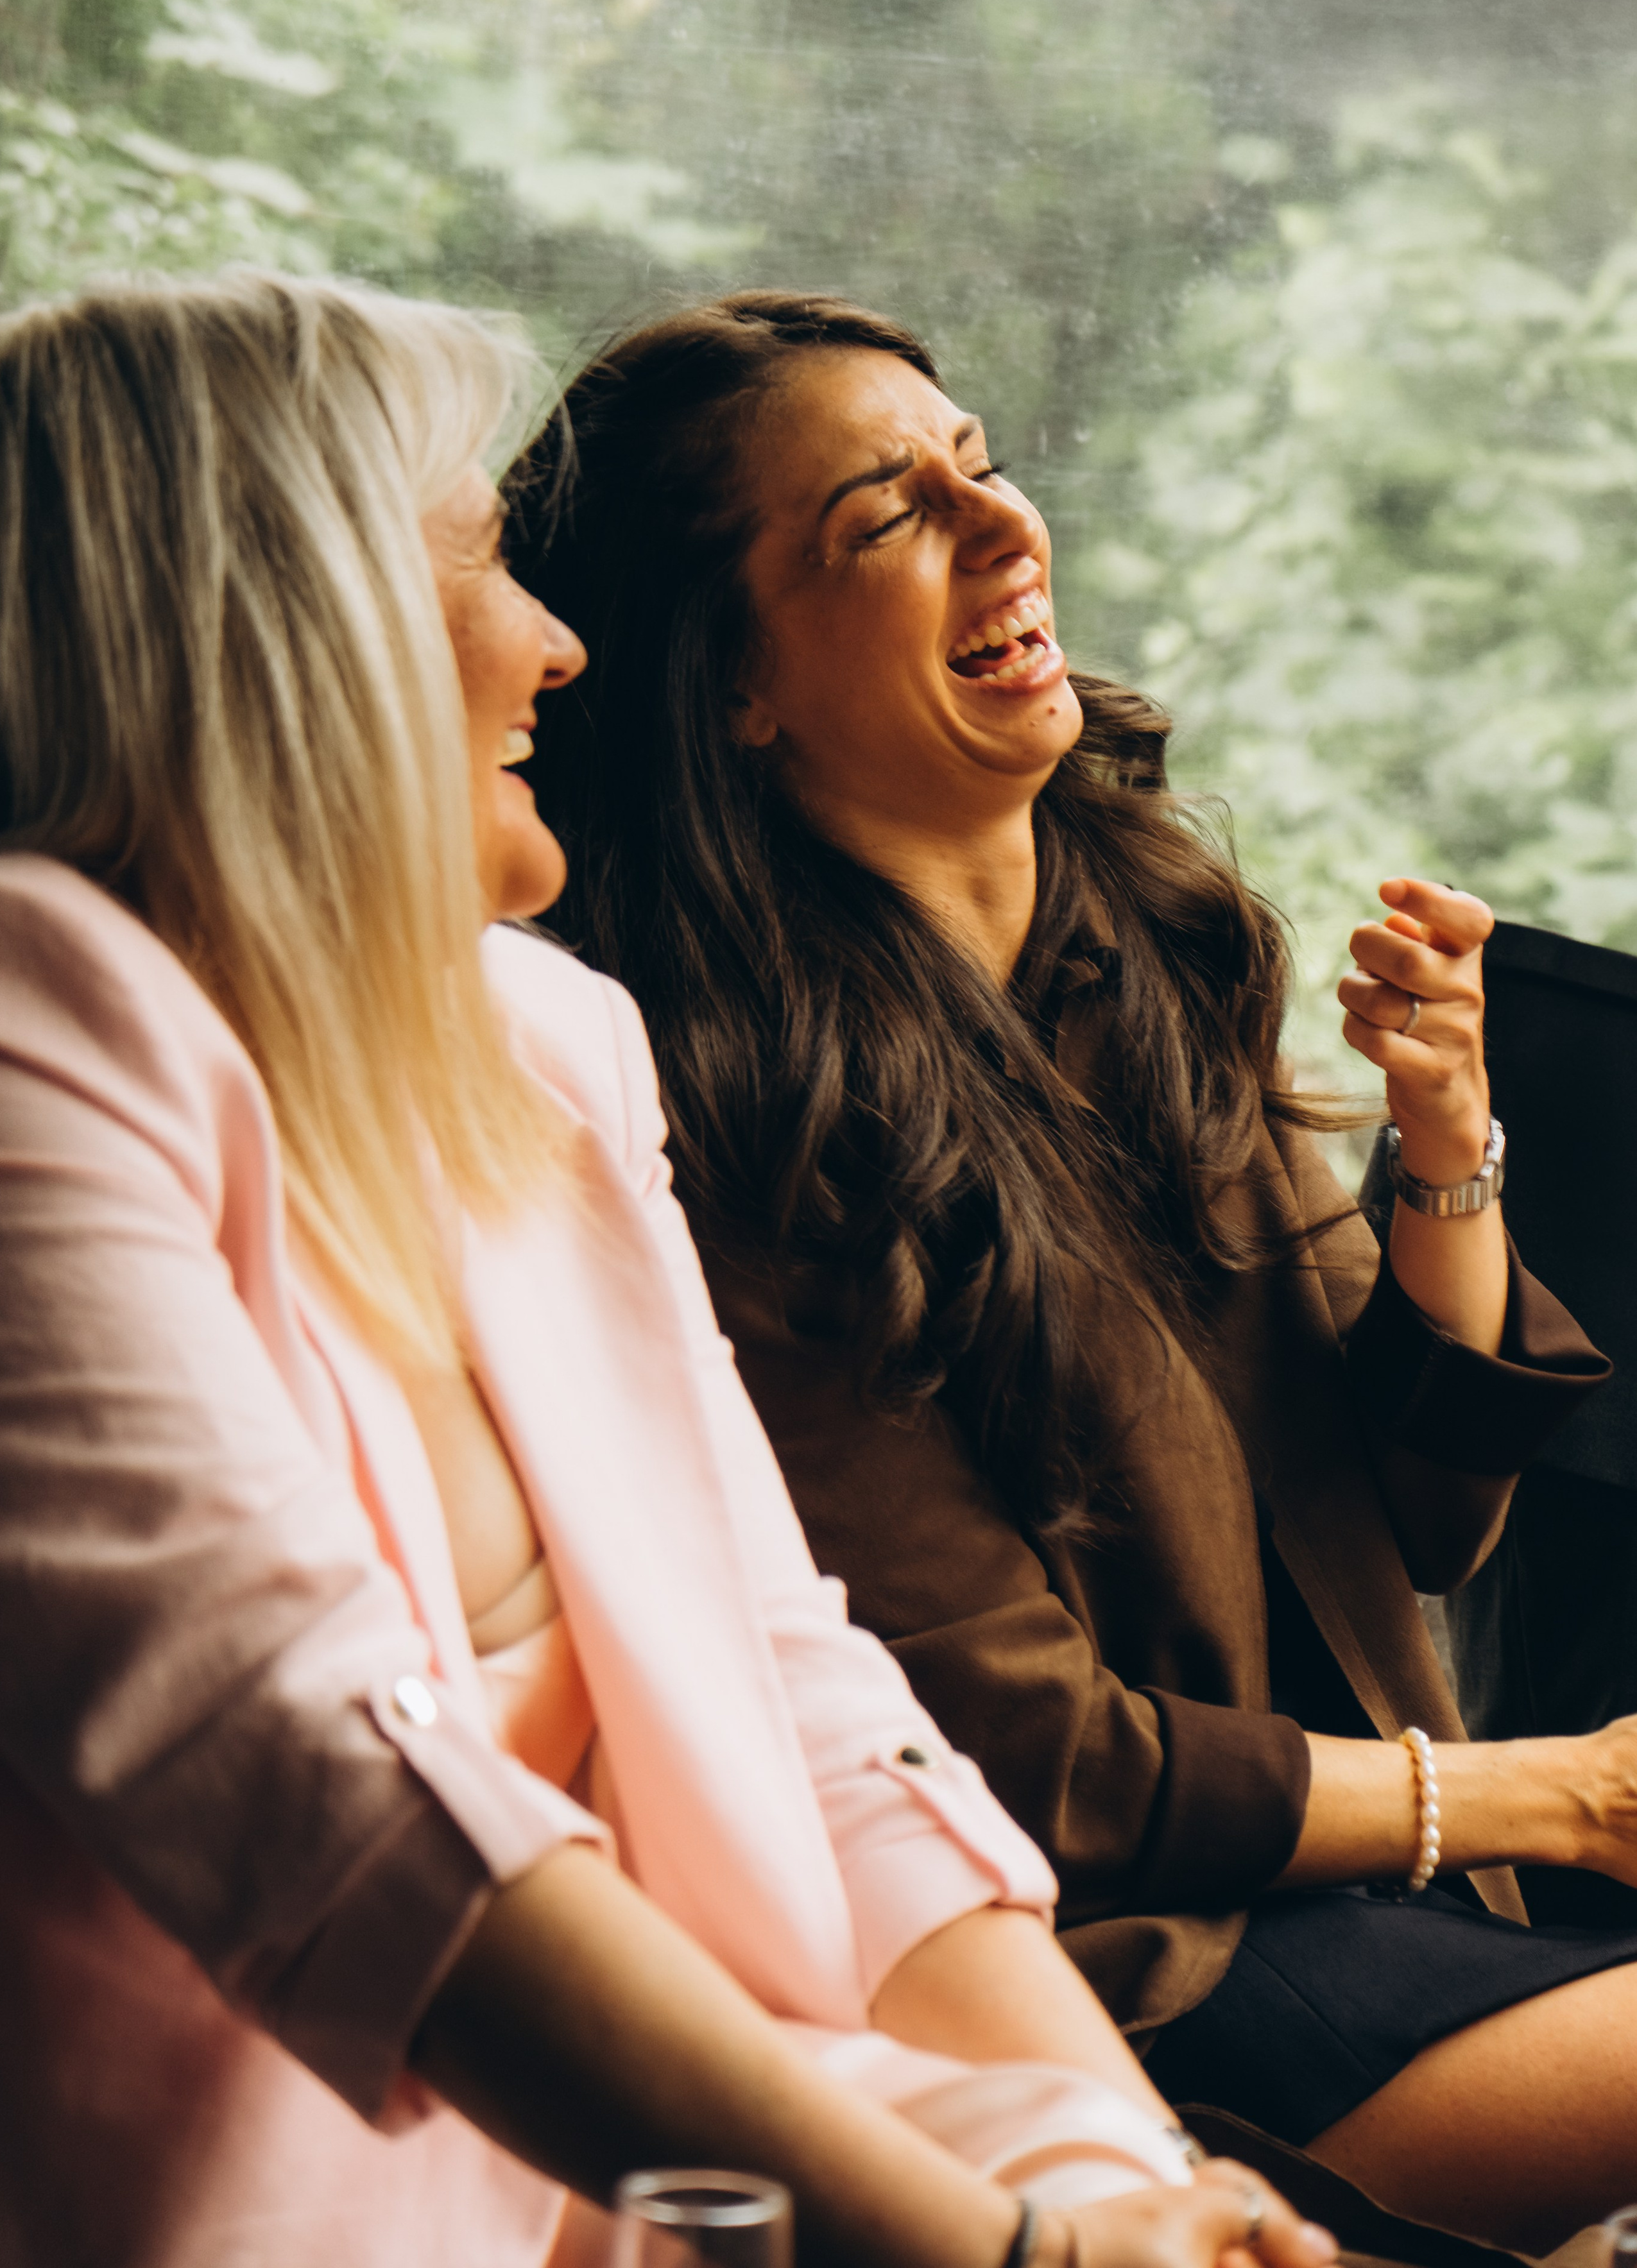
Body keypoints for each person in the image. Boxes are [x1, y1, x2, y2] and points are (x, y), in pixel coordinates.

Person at [0, 273, 1324, 2268]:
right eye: (475, 565)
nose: (557, 646)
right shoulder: (44, 1026)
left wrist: (1143, 2184)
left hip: (716, 2180)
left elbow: (809, 1700)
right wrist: (1016, 2257)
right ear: (280, 632)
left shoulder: (549, 1046)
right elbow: (323, 1787)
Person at [502, 288, 1637, 2259]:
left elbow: (1424, 1531)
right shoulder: (716, 1123)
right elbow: (1029, 1764)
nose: (1005, 528)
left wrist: (1448, 1152)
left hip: (1394, 1911)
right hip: (1133, 1997)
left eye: (982, 465)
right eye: (884, 518)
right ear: (734, 687)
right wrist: (1555, 1797)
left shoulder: (1150, 933)